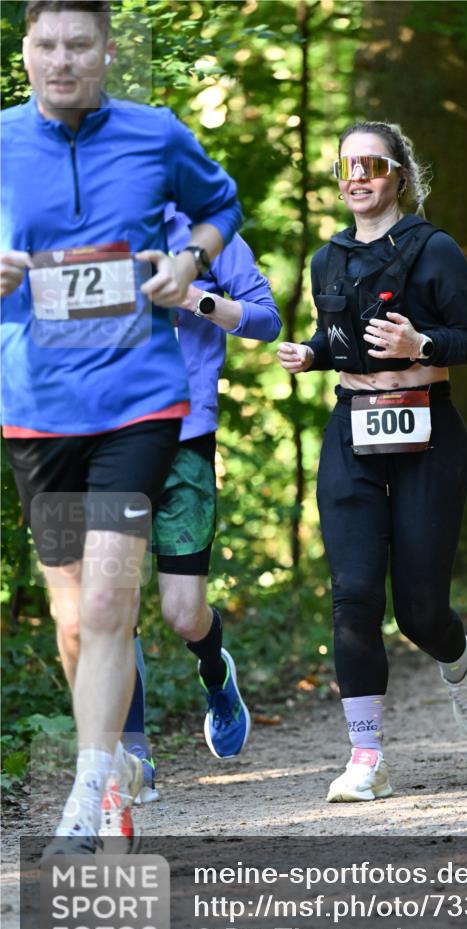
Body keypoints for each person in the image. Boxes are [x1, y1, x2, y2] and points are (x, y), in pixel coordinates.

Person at [0, 0, 242, 850]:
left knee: (108, 598)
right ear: (26, 53)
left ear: (106, 52)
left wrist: (187, 260)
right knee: (74, 622)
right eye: (46, 45)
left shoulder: (154, 134)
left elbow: (220, 204)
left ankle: (89, 789)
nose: (62, 60)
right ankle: (109, 776)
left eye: (79, 44)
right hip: (36, 407)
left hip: (138, 400)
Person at [277, 121, 467, 802]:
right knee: (352, 599)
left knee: (420, 610)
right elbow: (338, 335)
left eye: (370, 164)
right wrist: (313, 353)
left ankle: (457, 664)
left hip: (427, 433)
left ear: (398, 173)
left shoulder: (433, 250)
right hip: (354, 433)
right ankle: (365, 755)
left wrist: (420, 342)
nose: (356, 176)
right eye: (346, 165)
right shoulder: (327, 259)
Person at [121, 204, 282, 803]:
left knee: (184, 613)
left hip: (186, 437)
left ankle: (217, 674)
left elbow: (267, 320)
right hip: (104, 435)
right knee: (111, 596)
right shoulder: (78, 229)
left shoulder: (207, 237)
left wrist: (196, 300)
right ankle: (134, 753)